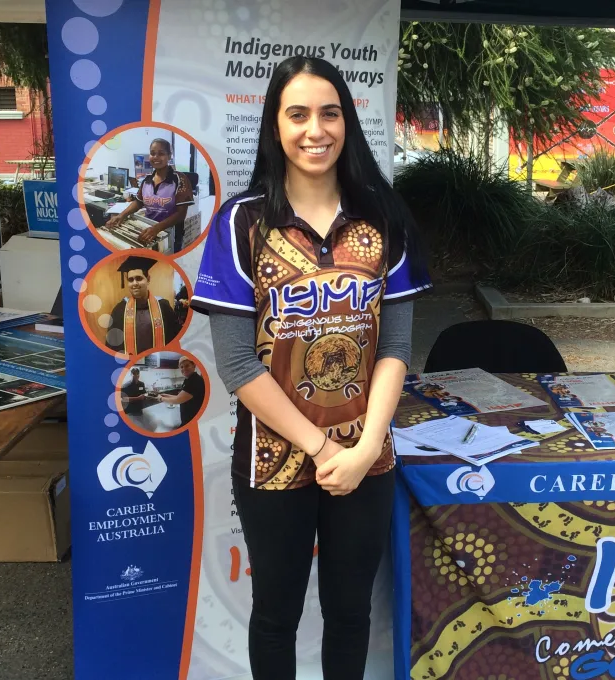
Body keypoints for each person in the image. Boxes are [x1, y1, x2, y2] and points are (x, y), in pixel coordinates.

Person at [190, 56, 431, 680]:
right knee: (276, 615)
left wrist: (365, 447)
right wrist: (324, 448)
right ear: (275, 125)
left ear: (346, 122)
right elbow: (238, 362)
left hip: (368, 457)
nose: (314, 129)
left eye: (329, 113)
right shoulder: (241, 223)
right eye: (297, 114)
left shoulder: (385, 219)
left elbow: (395, 348)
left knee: (350, 613)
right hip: (273, 458)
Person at [105, 138, 193, 252]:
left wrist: (157, 228)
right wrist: (121, 215)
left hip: (171, 232)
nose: (156, 157)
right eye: (152, 153)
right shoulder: (147, 179)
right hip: (148, 229)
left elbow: (181, 214)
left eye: (161, 153)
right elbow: (138, 202)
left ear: (169, 156)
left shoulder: (180, 179)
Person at [107, 255, 183, 355]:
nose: (134, 283)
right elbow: (112, 344)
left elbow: (176, 336)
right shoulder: (120, 310)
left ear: (148, 279)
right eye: (130, 280)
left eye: (139, 278)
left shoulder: (163, 306)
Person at [159, 356, 206, 425]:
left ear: (194, 366)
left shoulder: (194, 380)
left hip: (192, 419)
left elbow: (177, 400)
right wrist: (165, 395)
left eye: (187, 365)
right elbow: (179, 396)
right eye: (181, 367)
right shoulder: (188, 379)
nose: (184, 368)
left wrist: (161, 398)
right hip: (188, 419)